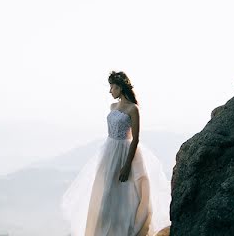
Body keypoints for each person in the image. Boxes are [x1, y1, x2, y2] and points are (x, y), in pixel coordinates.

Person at [61, 71, 171, 236]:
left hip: (125, 153)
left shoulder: (133, 109)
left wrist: (127, 165)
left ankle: (123, 231)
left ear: (120, 87)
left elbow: (135, 139)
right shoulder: (112, 107)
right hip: (109, 152)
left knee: (125, 197)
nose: (110, 90)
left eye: (112, 86)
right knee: (105, 197)